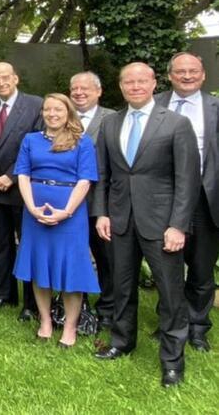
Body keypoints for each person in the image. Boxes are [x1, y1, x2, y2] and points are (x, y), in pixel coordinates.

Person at [93, 62, 200, 388]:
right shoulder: (110, 123)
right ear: (121, 86)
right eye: (129, 81)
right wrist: (102, 213)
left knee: (170, 293)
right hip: (120, 220)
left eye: (142, 80)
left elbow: (187, 180)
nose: (135, 86)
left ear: (154, 83)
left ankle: (172, 362)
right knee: (122, 287)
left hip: (162, 223)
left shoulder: (176, 123)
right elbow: (103, 175)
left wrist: (178, 225)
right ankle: (122, 341)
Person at [12, 93, 100, 348]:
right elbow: (23, 175)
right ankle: (46, 322)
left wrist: (67, 211)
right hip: (35, 210)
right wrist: (32, 207)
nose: (52, 114)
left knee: (71, 269)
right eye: (47, 109)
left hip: (70, 213)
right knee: (40, 266)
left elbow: (85, 180)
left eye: (58, 109)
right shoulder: (30, 140)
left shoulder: (82, 141)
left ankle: (70, 327)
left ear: (68, 112)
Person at [154, 52, 219, 353]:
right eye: (180, 71)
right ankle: (169, 322)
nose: (187, 76)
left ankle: (197, 327)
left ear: (203, 75)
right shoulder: (154, 105)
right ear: (170, 76)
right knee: (167, 266)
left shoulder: (215, 108)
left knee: (202, 269)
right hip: (164, 198)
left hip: (207, 198)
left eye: (193, 71)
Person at [0, 62, 43, 321]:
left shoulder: (35, 105)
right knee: (2, 245)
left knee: (27, 245)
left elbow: (37, 143)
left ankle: (31, 304)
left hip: (22, 188)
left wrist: (11, 175)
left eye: (5, 78)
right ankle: (5, 294)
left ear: (15, 78)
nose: (1, 83)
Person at [69, 71, 116, 329]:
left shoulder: (113, 119)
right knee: (74, 255)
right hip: (68, 203)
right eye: (74, 89)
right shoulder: (62, 117)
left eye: (85, 88)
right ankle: (77, 305)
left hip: (100, 201)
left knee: (105, 256)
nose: (79, 93)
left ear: (98, 91)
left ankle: (108, 308)